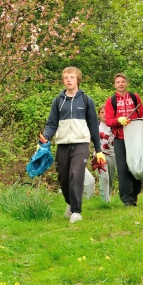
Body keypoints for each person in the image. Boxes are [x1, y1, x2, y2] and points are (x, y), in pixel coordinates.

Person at [40, 67, 106, 223]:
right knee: (63, 178)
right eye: (65, 77)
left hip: (81, 143)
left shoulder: (86, 101)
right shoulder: (58, 101)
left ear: (78, 79)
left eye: (71, 77)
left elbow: (93, 127)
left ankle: (76, 211)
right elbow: (51, 124)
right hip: (62, 143)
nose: (68, 80)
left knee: (76, 174)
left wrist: (98, 150)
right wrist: (46, 136)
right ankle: (70, 204)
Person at [104, 73, 143, 206]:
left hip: (136, 138)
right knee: (123, 168)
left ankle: (135, 194)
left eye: (123, 81)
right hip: (120, 139)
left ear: (127, 83)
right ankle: (127, 200)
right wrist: (119, 120)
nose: (121, 84)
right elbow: (109, 121)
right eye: (118, 82)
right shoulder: (111, 101)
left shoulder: (135, 97)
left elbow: (142, 112)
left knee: (137, 166)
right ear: (115, 85)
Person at [94, 105, 116, 202]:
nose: (104, 114)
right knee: (104, 177)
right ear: (99, 114)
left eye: (106, 112)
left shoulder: (114, 125)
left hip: (113, 154)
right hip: (100, 154)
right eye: (102, 112)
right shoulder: (95, 126)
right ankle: (105, 200)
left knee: (110, 178)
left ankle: (108, 197)